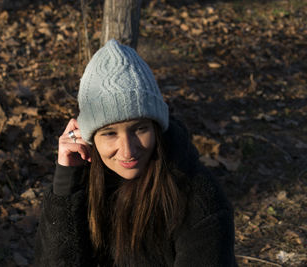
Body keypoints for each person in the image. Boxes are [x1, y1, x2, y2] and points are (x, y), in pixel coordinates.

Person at [34, 39, 237, 267]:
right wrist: (66, 182)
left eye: (140, 129)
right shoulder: (84, 185)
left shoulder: (198, 199)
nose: (128, 151)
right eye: (110, 134)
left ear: (157, 128)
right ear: (89, 138)